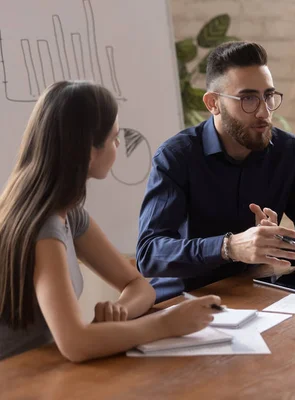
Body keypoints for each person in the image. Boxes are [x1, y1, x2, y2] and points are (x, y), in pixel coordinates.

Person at [0, 81, 220, 362]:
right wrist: (167, 324)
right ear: (90, 150)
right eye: (114, 137)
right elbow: (75, 344)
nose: (118, 144)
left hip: (45, 368)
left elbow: (139, 285)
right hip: (19, 379)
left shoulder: (70, 215)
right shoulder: (45, 227)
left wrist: (122, 311)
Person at [137, 42, 295, 302]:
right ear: (213, 103)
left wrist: (274, 243)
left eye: (268, 96)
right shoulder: (176, 156)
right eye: (248, 99)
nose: (263, 112)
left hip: (254, 297)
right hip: (185, 302)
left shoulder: (289, 152)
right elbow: (149, 254)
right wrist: (228, 247)